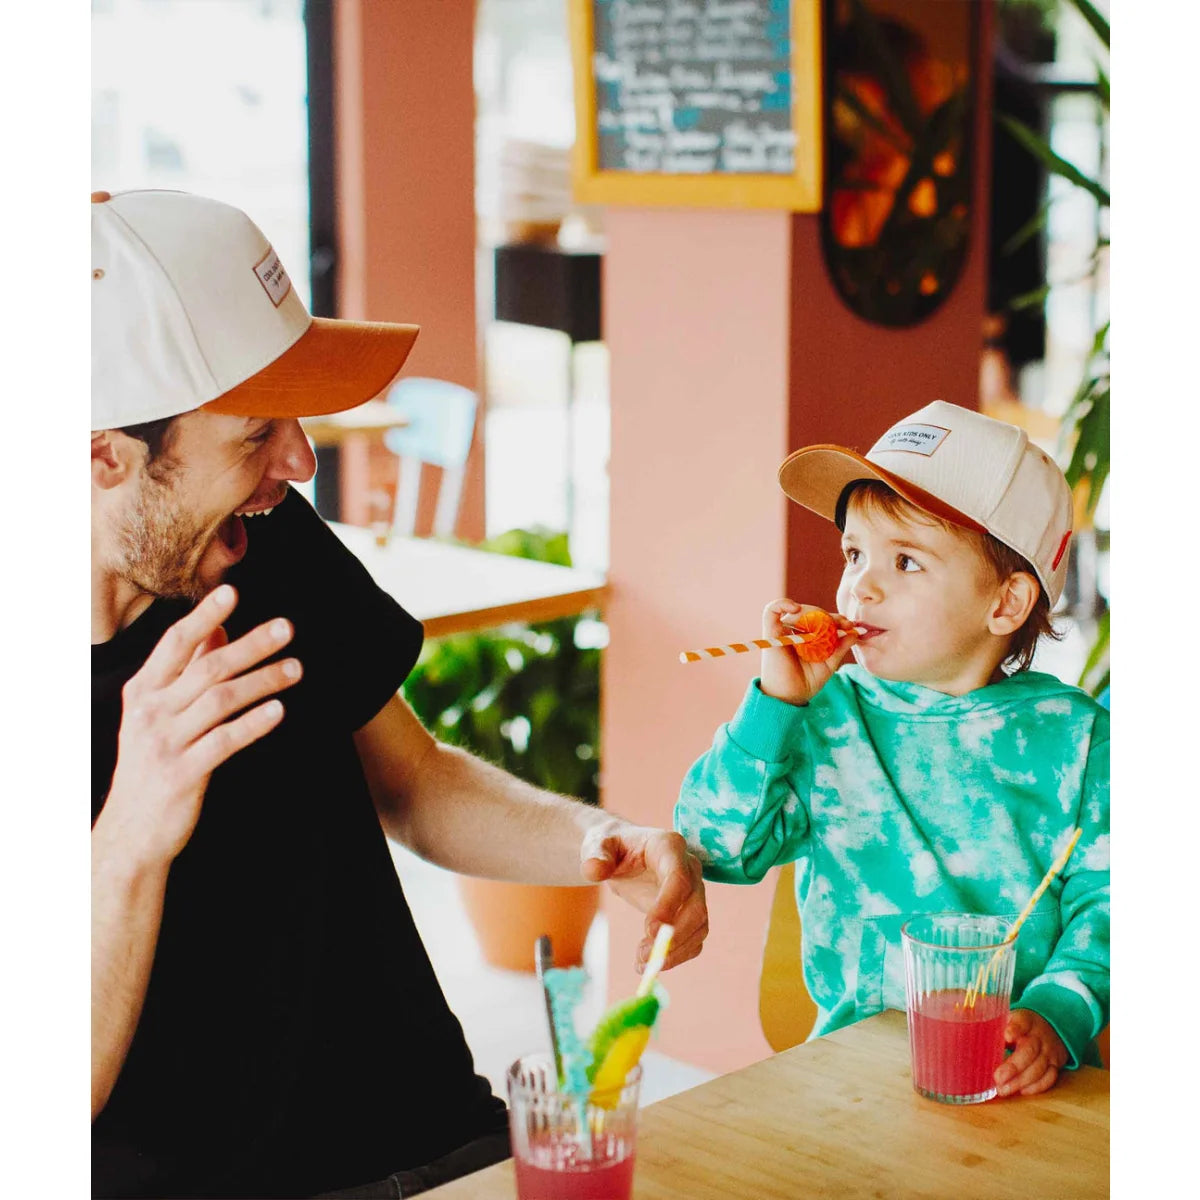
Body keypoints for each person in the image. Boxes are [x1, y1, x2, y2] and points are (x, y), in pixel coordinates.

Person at [91, 189, 708, 1200]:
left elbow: (414, 781)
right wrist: (128, 834)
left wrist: (595, 841)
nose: (299, 461)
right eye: (254, 434)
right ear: (103, 452)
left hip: (445, 1144)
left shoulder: (259, 541)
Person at [674, 400, 1108, 1098]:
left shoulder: (1079, 740)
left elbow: (1114, 906)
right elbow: (715, 847)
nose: (860, 585)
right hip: (846, 1084)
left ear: (1006, 602)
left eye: (905, 560)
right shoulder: (826, 716)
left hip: (1018, 1087)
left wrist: (1056, 1017)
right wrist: (774, 706)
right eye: (853, 552)